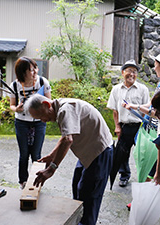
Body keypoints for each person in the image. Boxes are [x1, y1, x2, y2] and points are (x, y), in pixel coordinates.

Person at [24, 94, 113, 225]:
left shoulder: (65, 109)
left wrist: (52, 168)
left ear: (47, 104)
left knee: (89, 196)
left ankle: (86, 222)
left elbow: (68, 140)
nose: (43, 121)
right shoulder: (60, 108)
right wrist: (52, 156)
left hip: (99, 152)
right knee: (78, 187)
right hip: (88, 153)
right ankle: (79, 220)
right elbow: (66, 135)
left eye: (41, 116)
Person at [123, 52, 160, 191]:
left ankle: (153, 202)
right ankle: (147, 200)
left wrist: (138, 108)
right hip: (154, 130)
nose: (154, 68)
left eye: (156, 65)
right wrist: (134, 106)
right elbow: (151, 105)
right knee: (155, 168)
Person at [9, 56, 52, 189]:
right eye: (31, 70)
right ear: (22, 72)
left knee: (36, 154)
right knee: (23, 154)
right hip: (21, 122)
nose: (35, 72)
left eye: (35, 69)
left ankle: (36, 180)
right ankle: (23, 181)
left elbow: (50, 102)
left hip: (39, 122)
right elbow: (12, 105)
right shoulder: (15, 85)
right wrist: (17, 108)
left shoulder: (42, 82)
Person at [107, 59, 150, 187]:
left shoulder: (143, 89)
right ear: (122, 73)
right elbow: (115, 110)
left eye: (135, 71)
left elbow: (147, 109)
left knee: (142, 153)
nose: (132, 74)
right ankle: (124, 175)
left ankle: (143, 177)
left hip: (139, 127)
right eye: (129, 71)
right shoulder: (116, 89)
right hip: (124, 126)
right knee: (122, 153)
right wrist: (117, 126)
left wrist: (144, 126)